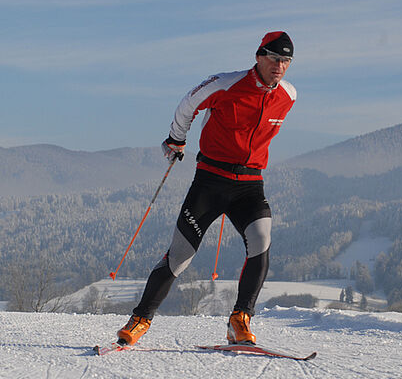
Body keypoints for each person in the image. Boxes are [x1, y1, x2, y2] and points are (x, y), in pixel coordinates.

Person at [116, 31, 296, 346]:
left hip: (250, 185)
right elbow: (189, 103)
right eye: (273, 58)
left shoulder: (289, 95)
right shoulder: (225, 84)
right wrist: (177, 138)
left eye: (285, 60)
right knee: (181, 256)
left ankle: (240, 319)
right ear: (258, 57)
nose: (279, 66)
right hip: (211, 181)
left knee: (261, 240)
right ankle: (140, 319)